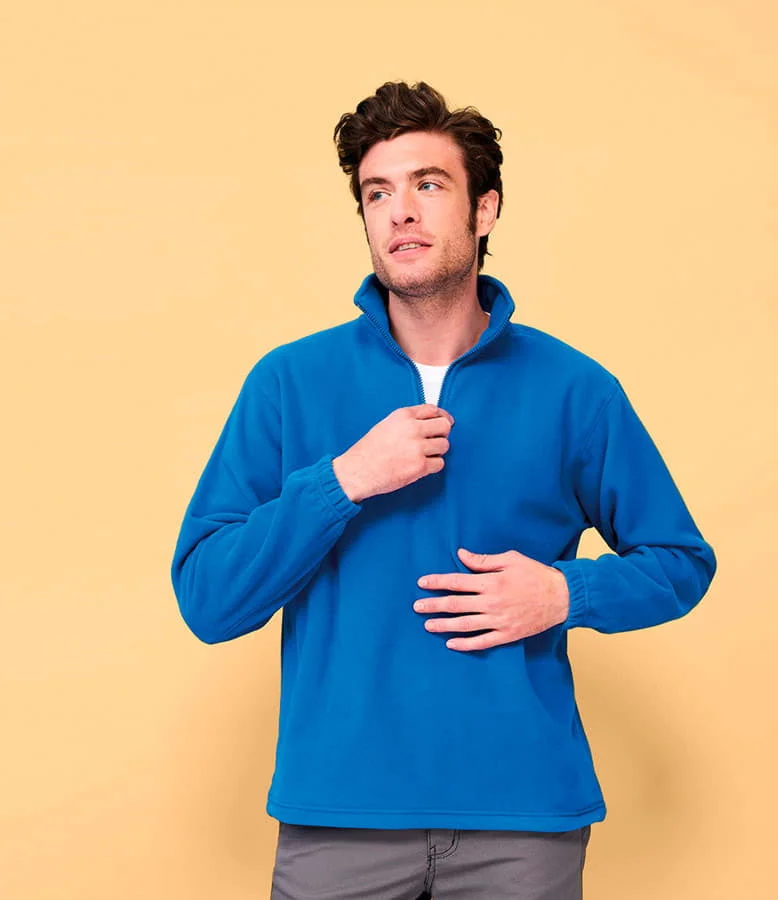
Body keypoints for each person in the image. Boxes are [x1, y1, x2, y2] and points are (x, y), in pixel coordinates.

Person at [170, 80, 717, 900]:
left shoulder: (575, 389)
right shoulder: (288, 383)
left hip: (523, 819)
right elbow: (209, 598)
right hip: (339, 817)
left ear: (483, 209)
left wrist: (566, 592)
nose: (400, 212)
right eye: (377, 193)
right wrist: (344, 481)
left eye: (428, 185)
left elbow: (681, 560)